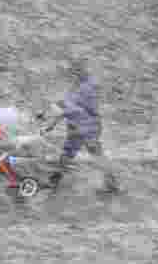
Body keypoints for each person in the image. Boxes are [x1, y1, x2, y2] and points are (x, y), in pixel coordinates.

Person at [47, 58, 120, 193]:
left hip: (85, 127)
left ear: (80, 71)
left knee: (88, 154)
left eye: (74, 72)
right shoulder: (81, 85)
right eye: (72, 72)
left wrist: (53, 121)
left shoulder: (86, 87)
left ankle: (54, 181)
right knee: (71, 154)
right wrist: (54, 116)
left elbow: (70, 107)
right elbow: (67, 104)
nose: (71, 75)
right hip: (81, 126)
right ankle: (54, 181)